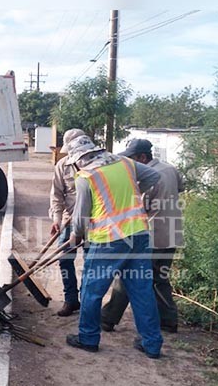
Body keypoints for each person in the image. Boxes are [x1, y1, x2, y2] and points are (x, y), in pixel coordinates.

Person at [62, 135, 164, 358]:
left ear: (79, 159)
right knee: (142, 291)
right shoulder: (125, 163)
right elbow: (154, 176)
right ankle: (152, 344)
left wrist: (76, 236)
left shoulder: (86, 176)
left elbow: (80, 219)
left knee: (91, 289)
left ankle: (88, 338)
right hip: (138, 234)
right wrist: (135, 193)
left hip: (108, 239)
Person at [101, 139, 185, 333]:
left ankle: (108, 318)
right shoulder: (170, 169)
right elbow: (180, 188)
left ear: (142, 157)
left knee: (129, 275)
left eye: (132, 158)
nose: (130, 163)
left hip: (152, 235)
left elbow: (138, 206)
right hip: (171, 234)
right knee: (160, 277)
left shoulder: (149, 176)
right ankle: (168, 320)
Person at [49, 128, 87, 317]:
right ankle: (71, 300)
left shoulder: (95, 165)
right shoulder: (62, 165)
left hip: (93, 222)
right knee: (65, 260)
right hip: (68, 221)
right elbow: (56, 195)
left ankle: (87, 302)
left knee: (91, 263)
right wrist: (56, 219)